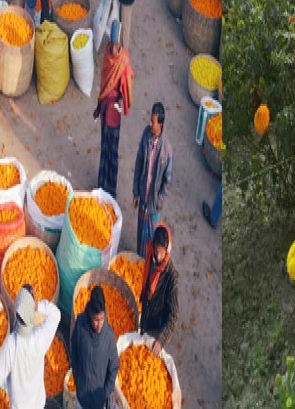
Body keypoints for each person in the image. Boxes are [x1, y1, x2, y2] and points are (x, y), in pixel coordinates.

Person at [0, 284, 61, 407]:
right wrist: (38, 306)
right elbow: (56, 314)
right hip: (37, 404)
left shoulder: (11, 344)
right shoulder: (40, 338)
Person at [95, 21, 133, 197]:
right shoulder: (114, 58)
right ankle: (104, 185)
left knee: (110, 150)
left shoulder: (118, 60)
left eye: (116, 46)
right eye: (112, 45)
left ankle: (108, 187)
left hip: (111, 111)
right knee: (106, 148)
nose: (113, 49)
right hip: (106, 109)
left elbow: (125, 89)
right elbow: (106, 82)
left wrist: (122, 103)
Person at [132, 102, 173, 256]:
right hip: (143, 195)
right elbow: (139, 161)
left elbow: (167, 181)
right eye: (150, 120)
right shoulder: (146, 135)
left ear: (160, 124)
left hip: (154, 204)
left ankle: (146, 264)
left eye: (153, 122)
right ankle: (138, 260)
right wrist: (136, 192)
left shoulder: (167, 150)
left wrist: (158, 201)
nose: (150, 124)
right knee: (140, 233)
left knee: (151, 240)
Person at [70, 285, 119, 409]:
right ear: (90, 314)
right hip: (81, 397)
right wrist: (78, 380)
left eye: (102, 319)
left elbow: (113, 367)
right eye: (96, 320)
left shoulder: (108, 336)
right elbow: (74, 350)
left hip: (99, 401)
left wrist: (104, 393)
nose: (99, 325)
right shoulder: (80, 324)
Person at [139, 224, 179, 356]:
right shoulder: (151, 254)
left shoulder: (171, 276)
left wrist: (161, 341)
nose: (158, 256)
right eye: (156, 250)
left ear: (167, 250)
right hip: (146, 310)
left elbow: (173, 316)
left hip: (157, 323)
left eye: (161, 253)